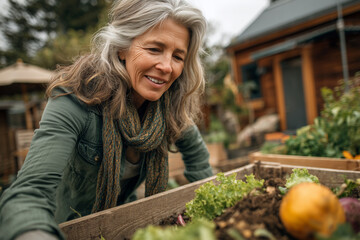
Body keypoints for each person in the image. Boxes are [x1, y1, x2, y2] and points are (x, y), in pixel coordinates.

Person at [0, 0, 213, 239]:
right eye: (154, 49)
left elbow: (201, 168)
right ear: (122, 48)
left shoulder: (169, 108)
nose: (166, 66)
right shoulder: (75, 99)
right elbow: (30, 192)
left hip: (125, 228)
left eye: (178, 56)